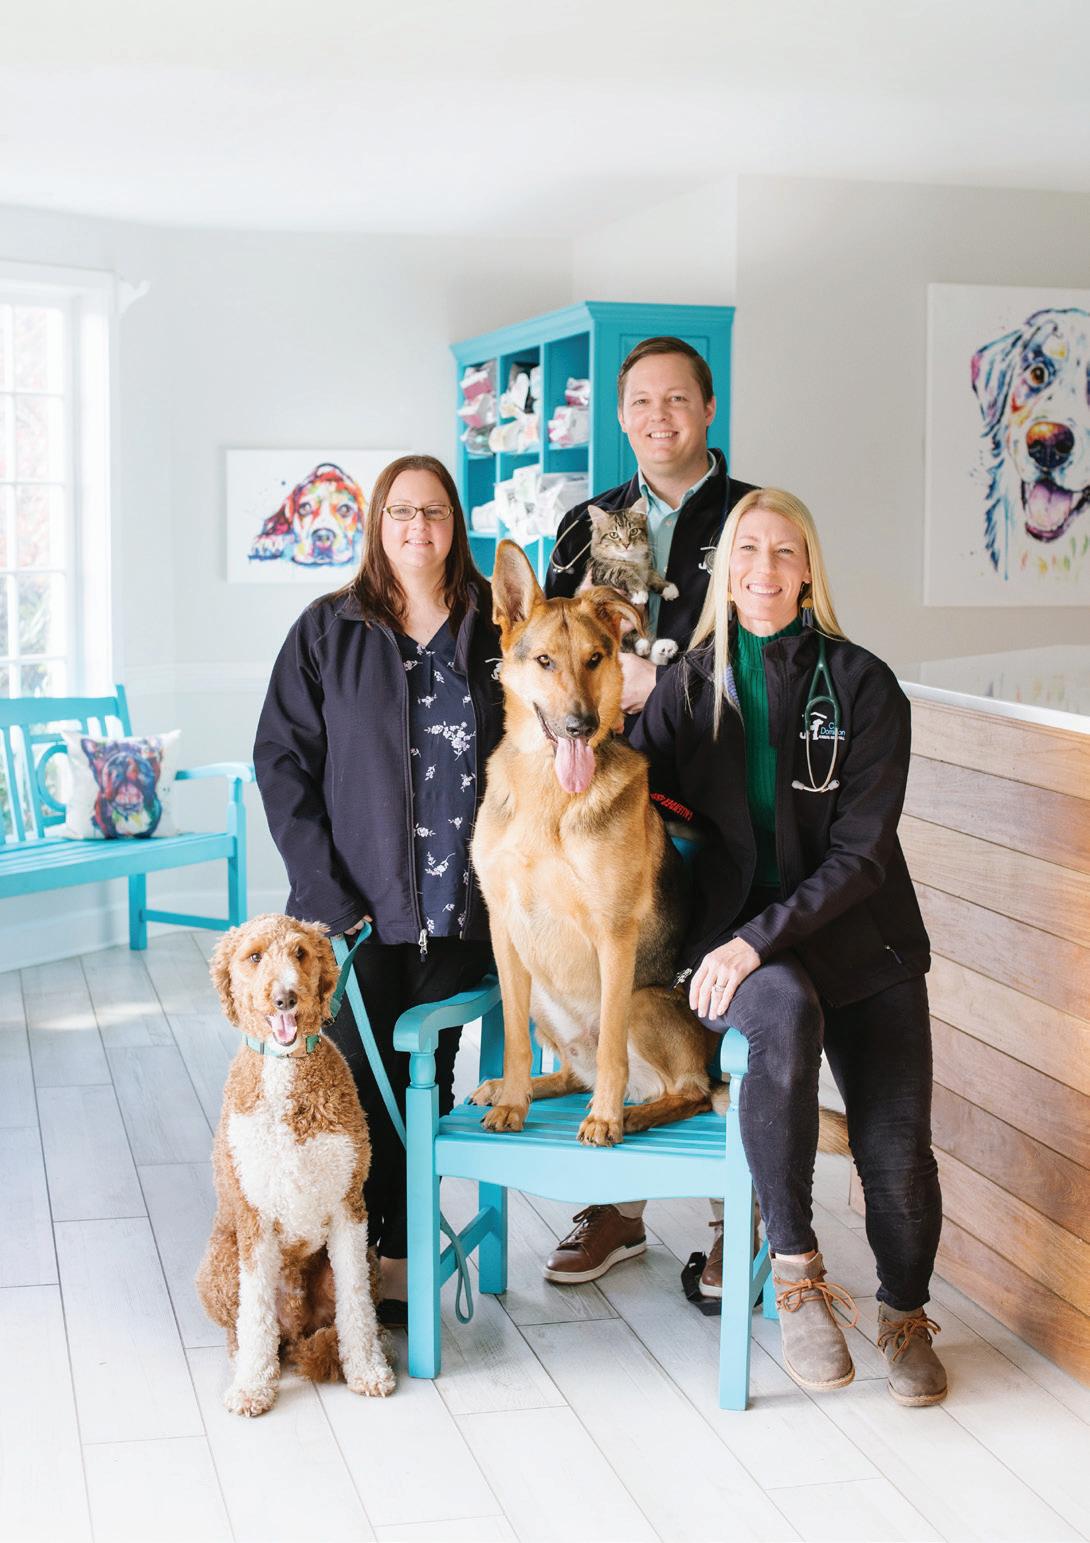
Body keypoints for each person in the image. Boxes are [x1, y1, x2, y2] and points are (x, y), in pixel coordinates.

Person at [627, 487, 947, 1405]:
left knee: (896, 1154)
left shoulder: (864, 684)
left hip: (864, 937)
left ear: (808, 571)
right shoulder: (690, 686)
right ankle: (798, 1274)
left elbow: (863, 855)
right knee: (783, 1016)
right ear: (725, 570)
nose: (763, 568)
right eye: (747, 549)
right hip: (748, 948)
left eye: (783, 551)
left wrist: (755, 939)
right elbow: (628, 793)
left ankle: (905, 1312)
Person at [254, 454, 503, 1324]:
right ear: (377, 523)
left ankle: (395, 1254)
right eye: (401, 511)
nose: (417, 527)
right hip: (353, 910)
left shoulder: (496, 625)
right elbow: (280, 762)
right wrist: (323, 895)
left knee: (427, 1068)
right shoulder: (328, 630)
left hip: (468, 905)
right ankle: (340, 1256)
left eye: (434, 511)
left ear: (454, 525)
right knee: (356, 1081)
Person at [540, 335, 761, 1287]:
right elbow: (549, 646)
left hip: (722, 794)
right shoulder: (587, 524)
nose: (658, 417)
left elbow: (774, 643)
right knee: (611, 977)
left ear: (708, 409)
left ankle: (735, 1214)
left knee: (714, 991)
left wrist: (658, 683)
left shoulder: (752, 516)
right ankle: (618, 1208)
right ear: (621, 415)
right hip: (607, 796)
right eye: (640, 401)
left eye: (678, 399)